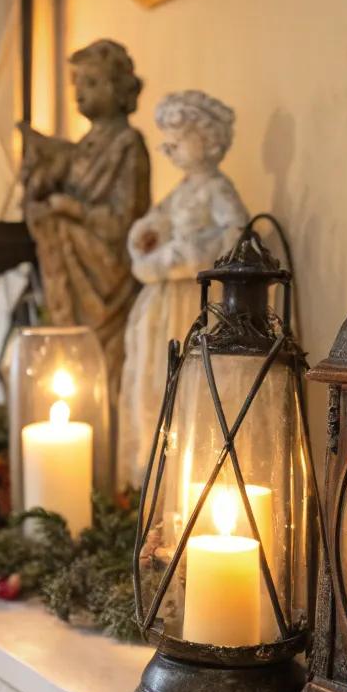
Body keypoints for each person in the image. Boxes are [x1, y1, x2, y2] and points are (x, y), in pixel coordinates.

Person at [117, 89, 248, 490]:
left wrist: (184, 254)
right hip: (160, 302)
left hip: (189, 300)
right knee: (151, 379)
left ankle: (177, 484)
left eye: (179, 138)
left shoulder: (216, 189)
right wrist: (146, 239)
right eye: (166, 141)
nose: (168, 147)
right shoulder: (183, 189)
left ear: (208, 141)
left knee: (184, 383)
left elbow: (236, 233)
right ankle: (149, 477)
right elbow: (154, 224)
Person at [20, 40, 150, 405]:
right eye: (77, 82)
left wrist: (72, 210)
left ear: (118, 88)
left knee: (105, 370)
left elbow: (126, 220)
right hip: (72, 276)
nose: (80, 92)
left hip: (106, 276)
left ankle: (107, 450)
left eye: (91, 82)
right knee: (71, 366)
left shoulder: (127, 144)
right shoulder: (80, 149)